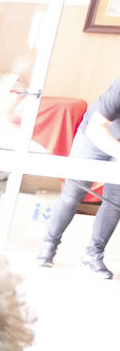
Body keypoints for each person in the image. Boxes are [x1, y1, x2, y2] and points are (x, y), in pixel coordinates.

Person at [35, 75, 120, 278]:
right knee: (73, 193)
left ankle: (93, 255)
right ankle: (48, 245)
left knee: (116, 201)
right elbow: (96, 128)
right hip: (95, 135)